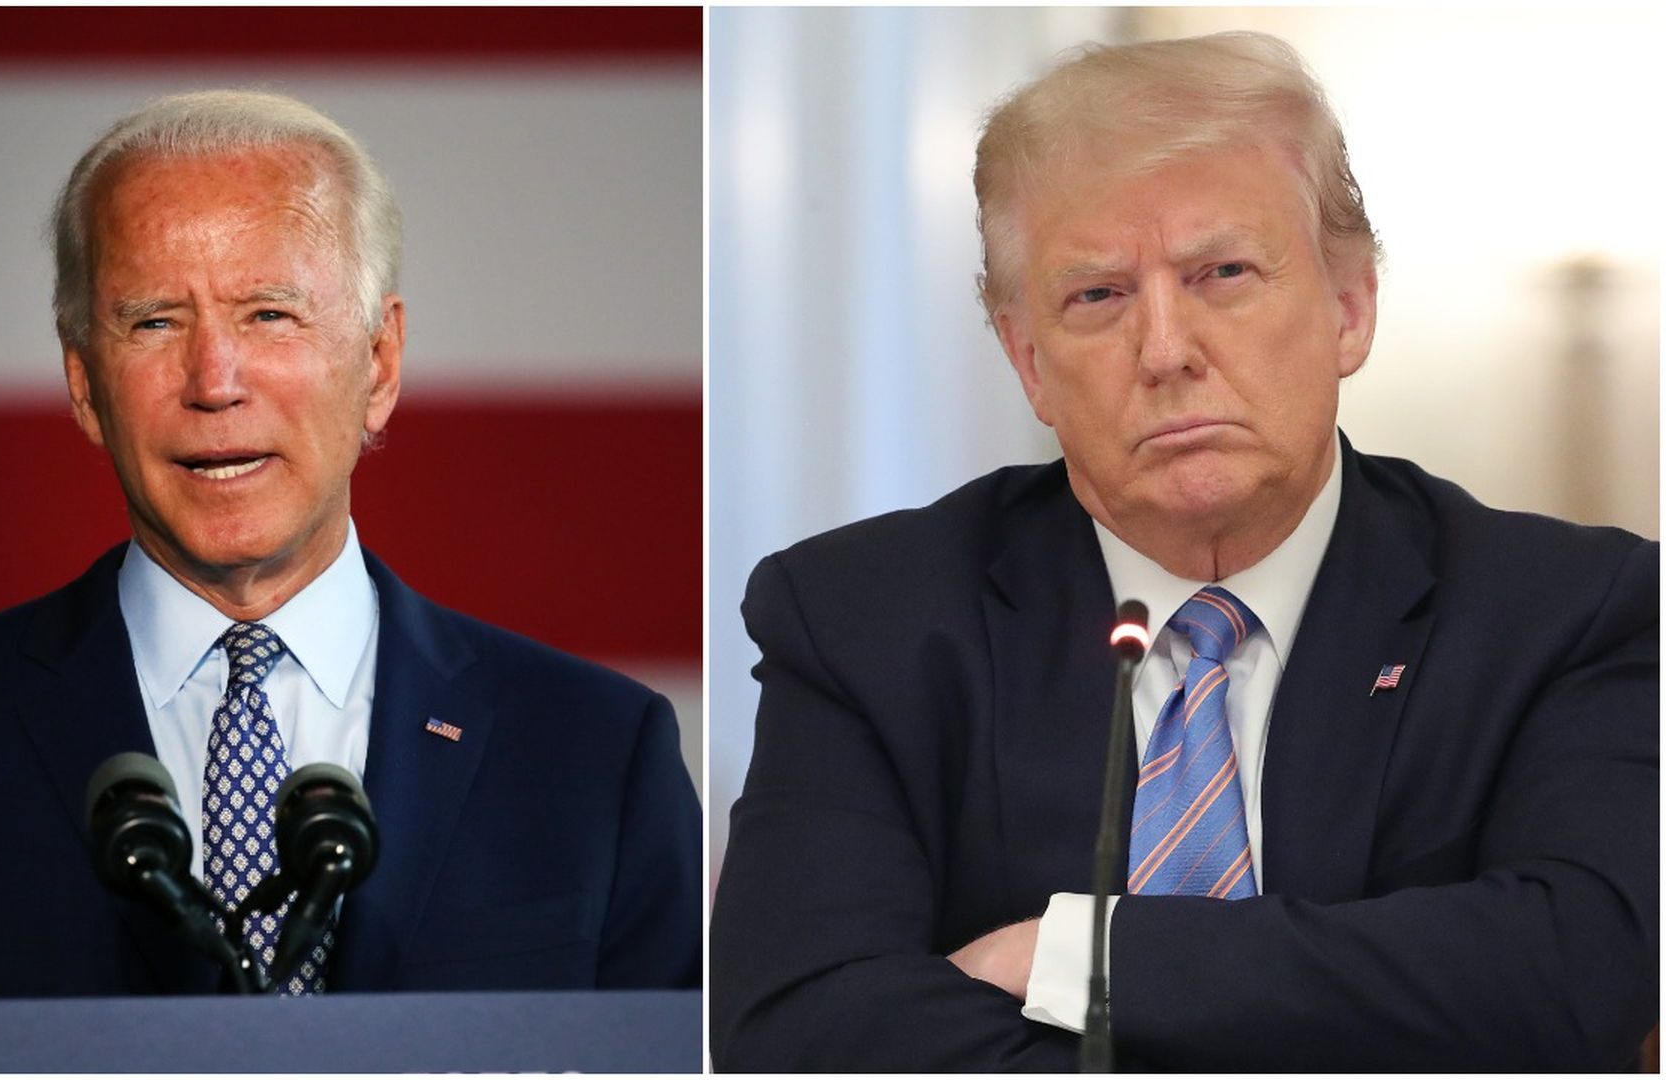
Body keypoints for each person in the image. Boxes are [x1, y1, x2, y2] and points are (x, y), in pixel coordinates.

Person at [710, 32, 1656, 1070]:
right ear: (1029, 362)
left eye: (1222, 274)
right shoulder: (866, 619)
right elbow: (797, 1028)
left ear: (1350, 308)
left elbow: (1584, 972)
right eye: (1098, 297)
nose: (1165, 351)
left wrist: (1084, 956)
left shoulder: (1569, 608)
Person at [0, 89, 700, 1001]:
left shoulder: (595, 755)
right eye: (155, 321)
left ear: (379, 362)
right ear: (83, 381)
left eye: (269, 314)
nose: (215, 382)